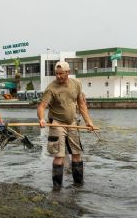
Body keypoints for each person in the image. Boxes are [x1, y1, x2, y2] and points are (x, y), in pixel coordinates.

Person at [37, 60, 95, 190]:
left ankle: (78, 186)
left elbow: (81, 104)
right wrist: (41, 119)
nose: (58, 76)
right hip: (56, 123)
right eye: (56, 74)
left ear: (68, 72)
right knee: (59, 155)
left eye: (61, 74)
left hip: (72, 123)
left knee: (77, 153)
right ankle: (57, 189)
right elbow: (41, 107)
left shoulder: (76, 84)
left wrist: (88, 121)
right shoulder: (51, 88)